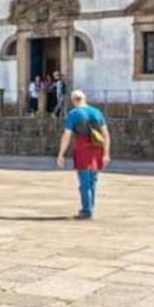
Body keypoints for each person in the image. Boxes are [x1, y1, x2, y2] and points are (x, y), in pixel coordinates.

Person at [55, 89, 110, 220]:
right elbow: (106, 135)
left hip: (83, 148)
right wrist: (106, 154)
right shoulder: (97, 112)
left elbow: (66, 135)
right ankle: (90, 207)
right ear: (84, 99)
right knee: (93, 180)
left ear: (74, 100)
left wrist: (61, 154)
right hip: (97, 148)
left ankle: (87, 210)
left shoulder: (73, 114)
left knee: (84, 180)